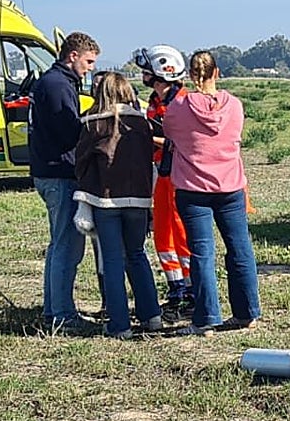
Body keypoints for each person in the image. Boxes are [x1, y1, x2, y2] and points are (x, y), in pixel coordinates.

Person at [162, 50, 260, 336]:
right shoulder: (235, 106)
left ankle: (206, 319)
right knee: (240, 249)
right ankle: (247, 313)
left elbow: (169, 134)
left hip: (193, 189)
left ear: (191, 75)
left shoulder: (178, 108)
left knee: (202, 253)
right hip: (230, 187)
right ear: (217, 72)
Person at [73, 72, 163, 339]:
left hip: (105, 199)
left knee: (112, 260)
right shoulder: (141, 123)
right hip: (139, 199)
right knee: (137, 254)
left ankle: (119, 325)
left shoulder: (92, 123)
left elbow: (81, 162)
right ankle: (152, 315)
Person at [29, 31, 100, 332]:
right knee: (68, 248)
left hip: (49, 171)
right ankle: (63, 315)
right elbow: (69, 132)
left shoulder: (53, 81)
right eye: (88, 61)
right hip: (59, 173)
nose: (90, 68)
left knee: (59, 244)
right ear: (73, 56)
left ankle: (53, 309)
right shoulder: (58, 85)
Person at [135, 44, 193, 321]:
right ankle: (176, 288)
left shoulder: (182, 102)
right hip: (161, 171)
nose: (143, 74)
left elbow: (183, 141)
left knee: (181, 231)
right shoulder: (155, 101)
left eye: (147, 70)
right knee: (162, 230)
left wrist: (147, 137)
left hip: (179, 172)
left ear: (161, 71)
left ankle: (193, 291)